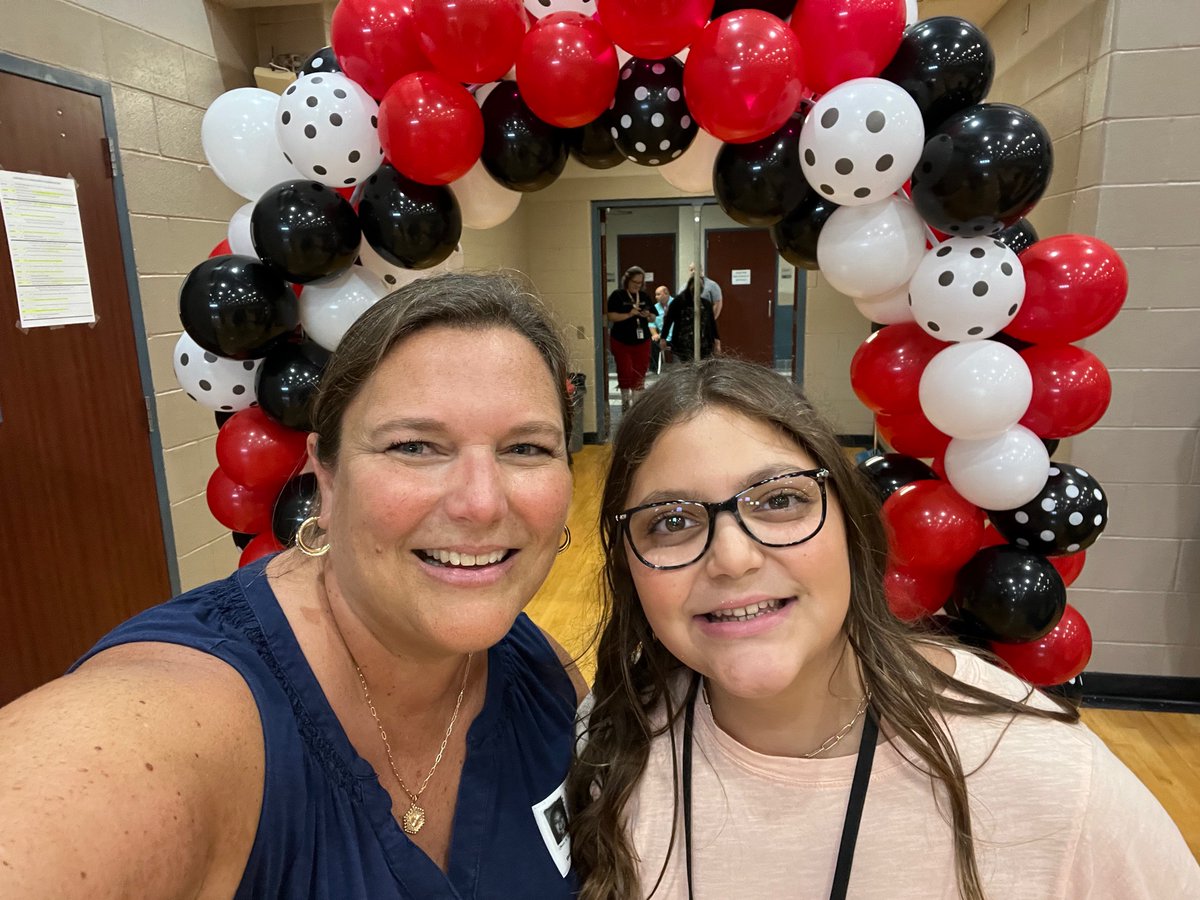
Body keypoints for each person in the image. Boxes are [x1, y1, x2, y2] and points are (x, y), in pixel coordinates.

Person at [0, 273, 588, 898]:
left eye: (526, 448)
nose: (481, 502)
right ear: (325, 480)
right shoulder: (185, 725)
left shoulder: (543, 677)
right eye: (415, 445)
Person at [569, 358, 1199, 900]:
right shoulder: (614, 744)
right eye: (671, 521)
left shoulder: (1046, 781)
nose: (732, 558)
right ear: (629, 567)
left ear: (853, 525)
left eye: (780, 500)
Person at [606, 266, 657, 410]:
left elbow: (653, 317)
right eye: (634, 282)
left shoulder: (644, 296)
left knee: (640, 371)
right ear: (627, 280)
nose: (637, 285)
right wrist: (630, 314)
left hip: (642, 340)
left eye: (640, 283)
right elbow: (611, 316)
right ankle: (625, 402)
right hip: (621, 340)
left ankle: (636, 405)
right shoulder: (618, 295)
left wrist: (647, 315)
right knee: (625, 370)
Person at [662, 275, 720, 363]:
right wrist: (663, 338)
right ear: (690, 286)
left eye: (701, 286)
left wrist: (717, 341)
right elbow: (668, 321)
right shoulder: (678, 302)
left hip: (704, 345)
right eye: (696, 285)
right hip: (682, 345)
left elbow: (712, 324)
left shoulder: (706, 304)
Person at [650, 284, 671, 374]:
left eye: (658, 294)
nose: (656, 297)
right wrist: (654, 334)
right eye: (655, 294)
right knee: (651, 342)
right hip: (661, 336)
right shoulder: (655, 307)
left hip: (674, 335)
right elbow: (651, 323)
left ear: (666, 294)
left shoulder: (675, 304)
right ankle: (655, 370)